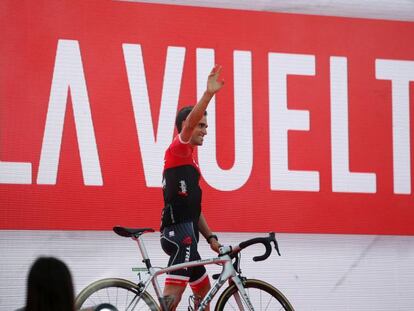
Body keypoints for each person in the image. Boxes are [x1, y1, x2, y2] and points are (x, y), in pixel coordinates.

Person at [160, 65, 224, 310]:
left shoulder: (190, 160)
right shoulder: (178, 148)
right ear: (189, 124)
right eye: (201, 125)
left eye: (206, 126)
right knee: (170, 302)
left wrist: (211, 238)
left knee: (205, 296)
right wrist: (209, 94)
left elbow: (194, 209)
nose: (205, 131)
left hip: (190, 235)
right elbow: (188, 126)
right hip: (179, 235)